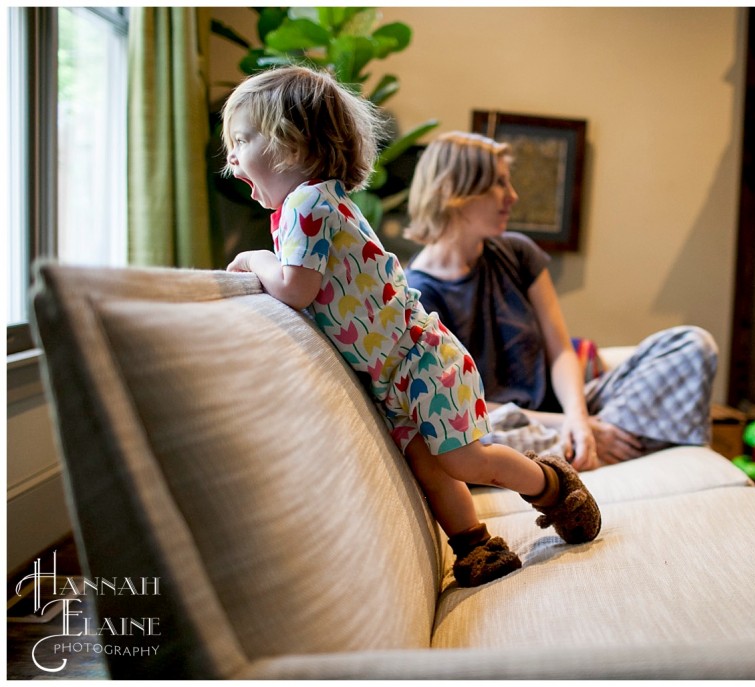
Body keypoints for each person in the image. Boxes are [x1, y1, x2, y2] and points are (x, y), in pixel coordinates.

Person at [221, 66, 600, 588]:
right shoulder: (303, 208)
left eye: (242, 140)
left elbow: (294, 288)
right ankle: (474, 544)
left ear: (293, 141)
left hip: (419, 359)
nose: (232, 157)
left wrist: (254, 259)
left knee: (465, 459)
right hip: (393, 376)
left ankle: (553, 486)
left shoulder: (309, 203)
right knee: (430, 467)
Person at [405, 131, 718, 472]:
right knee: (478, 446)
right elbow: (461, 407)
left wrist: (579, 420)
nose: (513, 195)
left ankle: (586, 446)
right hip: (503, 425)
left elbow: (561, 350)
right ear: (455, 191)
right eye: (499, 183)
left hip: (575, 409)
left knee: (693, 345)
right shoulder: (418, 296)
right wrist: (564, 424)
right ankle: (604, 444)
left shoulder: (518, 252)